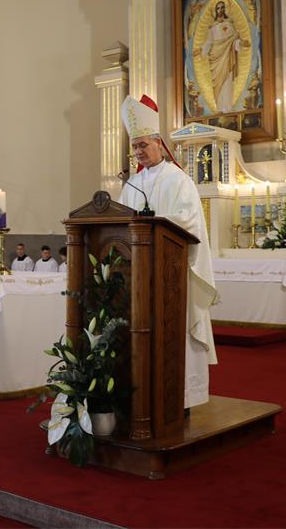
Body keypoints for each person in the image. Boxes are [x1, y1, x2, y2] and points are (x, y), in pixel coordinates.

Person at [118, 94, 218, 410]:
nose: (138, 151)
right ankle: (142, 394)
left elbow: (188, 222)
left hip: (170, 272)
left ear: (159, 144)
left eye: (143, 145)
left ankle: (181, 397)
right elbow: (119, 222)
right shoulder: (132, 184)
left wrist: (153, 224)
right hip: (138, 274)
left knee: (174, 332)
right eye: (135, 147)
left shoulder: (179, 180)